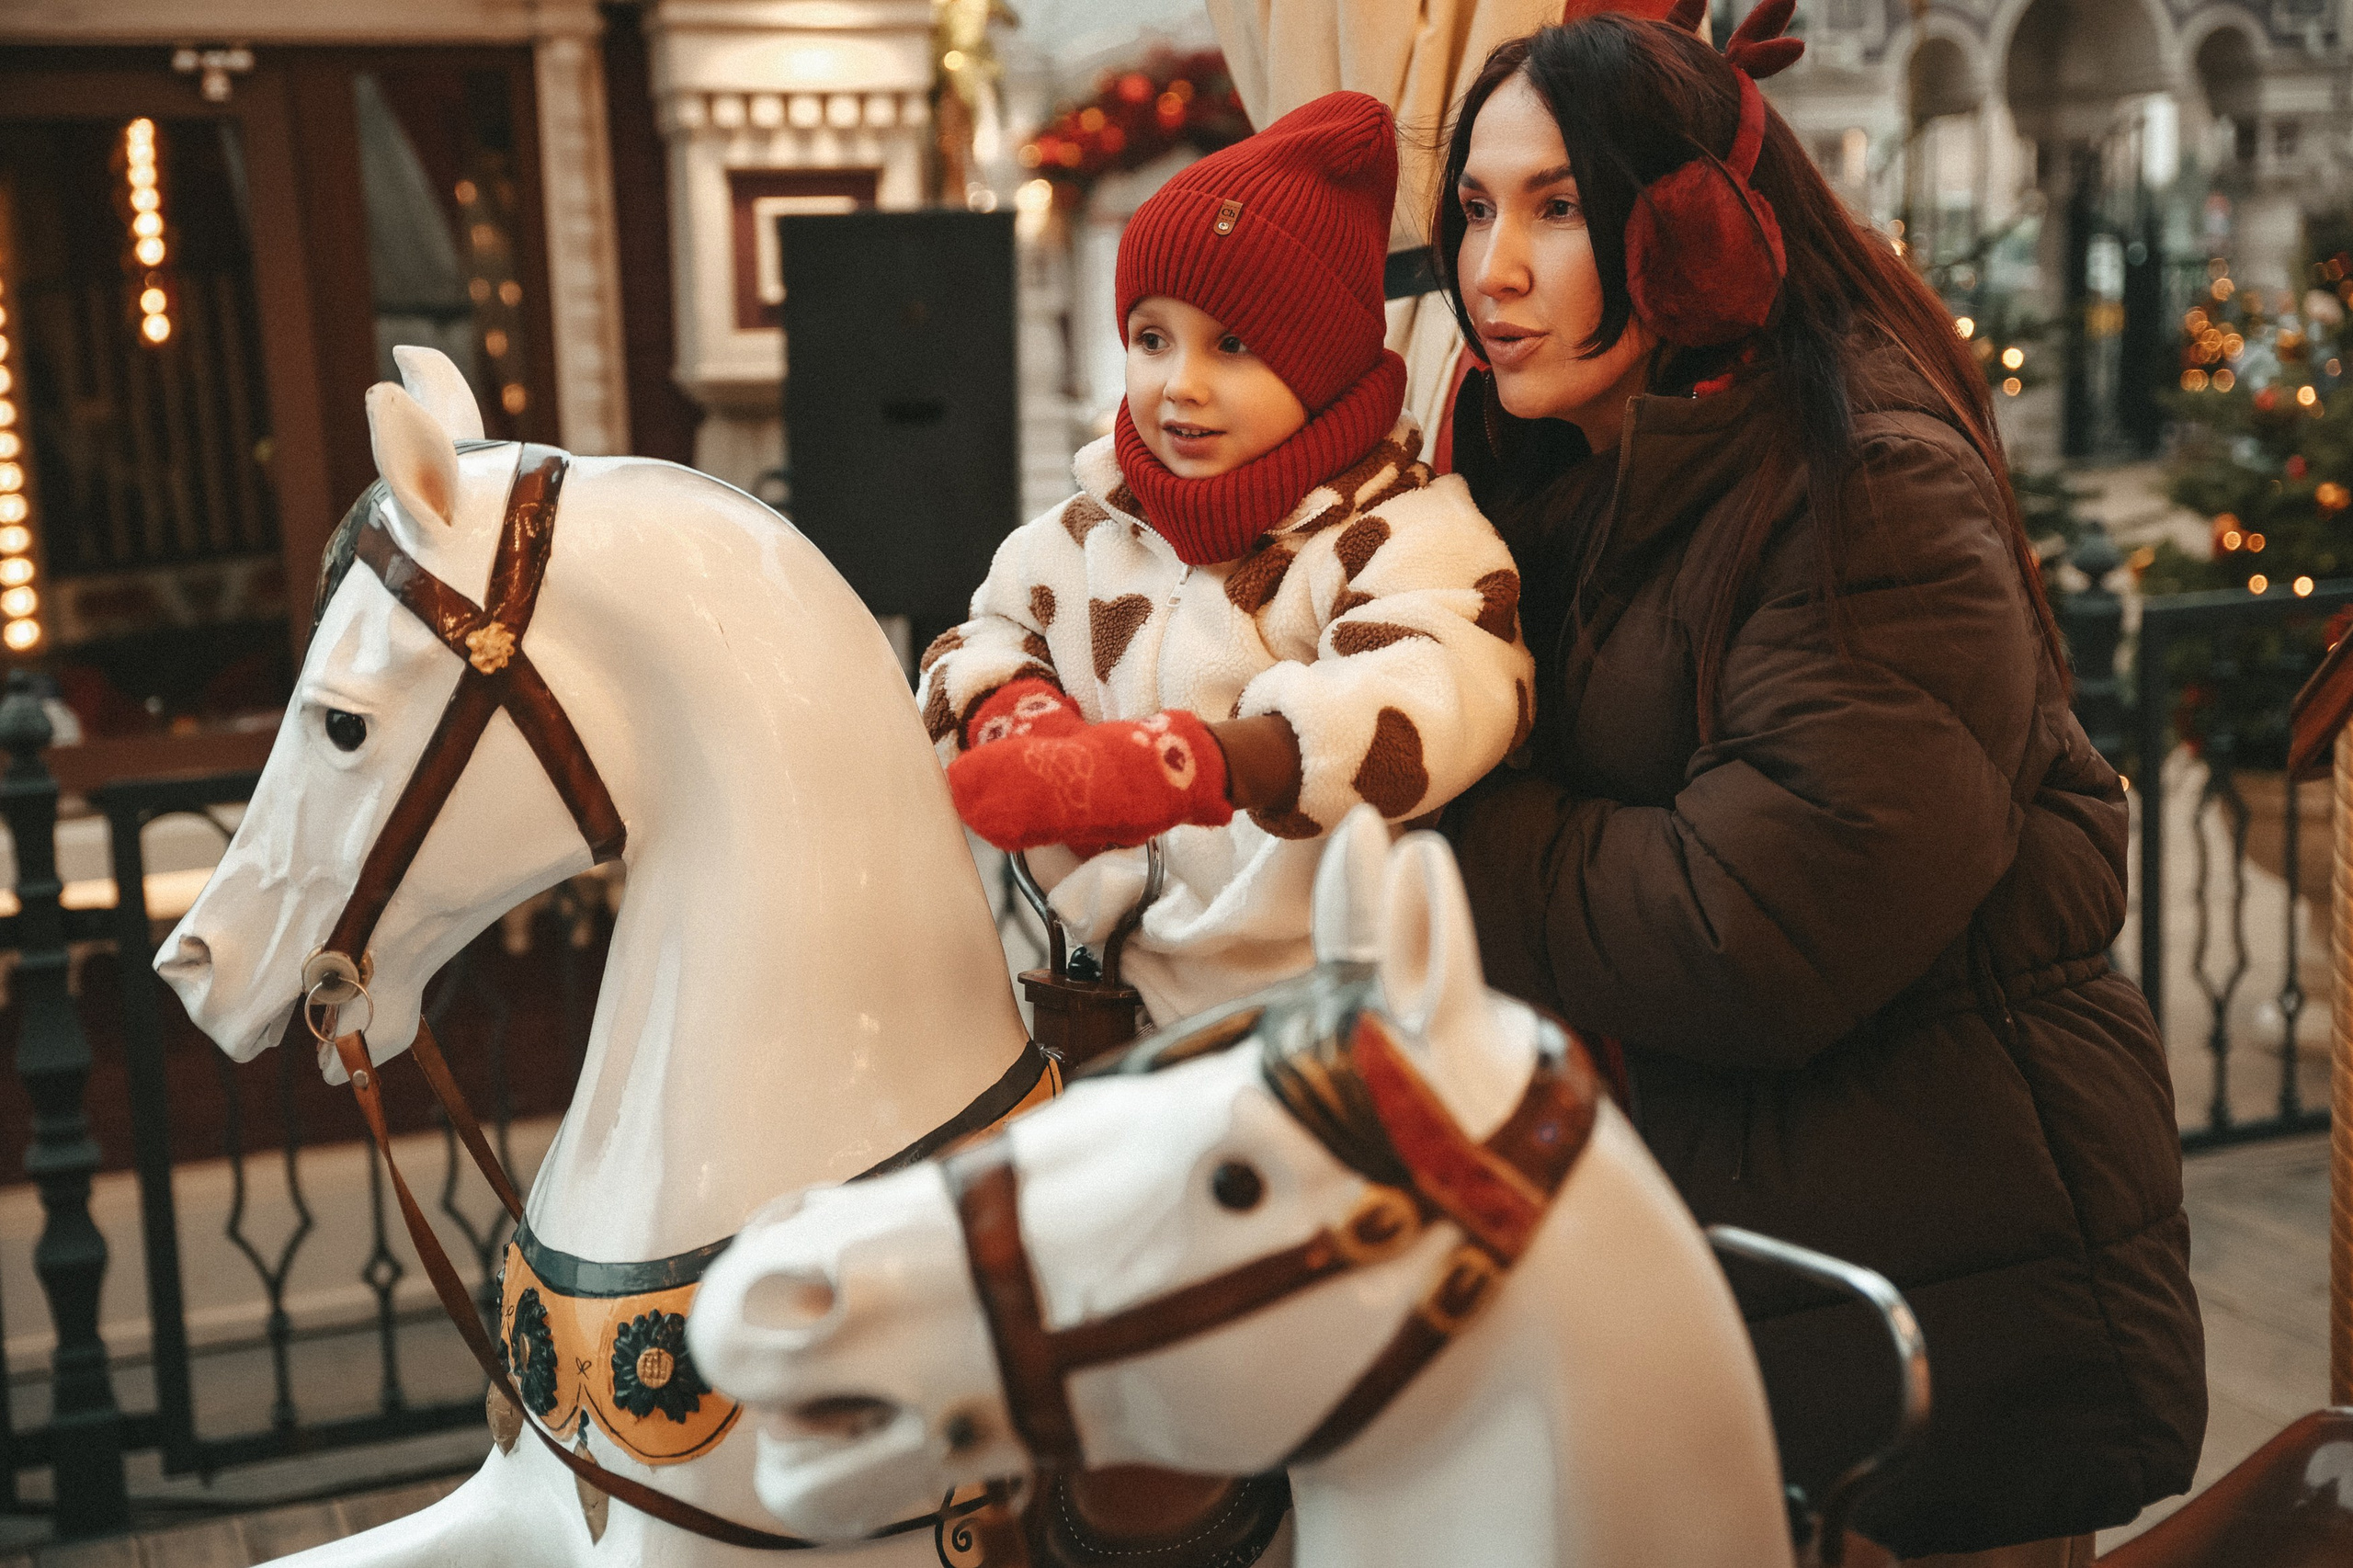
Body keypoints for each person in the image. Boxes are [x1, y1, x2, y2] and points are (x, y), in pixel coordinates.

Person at [1431, 7, 2203, 1564]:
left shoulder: (1867, 480)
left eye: (1558, 207)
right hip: (1755, 1291)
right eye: (1474, 210)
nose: (1491, 270)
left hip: (1930, 1333)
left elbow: (1753, 928)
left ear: (1695, 239)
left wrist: (1429, 822)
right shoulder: (1584, 479)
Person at [921, 91, 1533, 1026]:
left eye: (1233, 344)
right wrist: (1017, 710)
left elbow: (1439, 687)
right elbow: (986, 630)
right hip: (1105, 1000)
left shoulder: (1402, 531)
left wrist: (1193, 763)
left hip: (1316, 1029)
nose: (1180, 384)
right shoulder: (1091, 528)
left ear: (1324, 363)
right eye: (1151, 338)